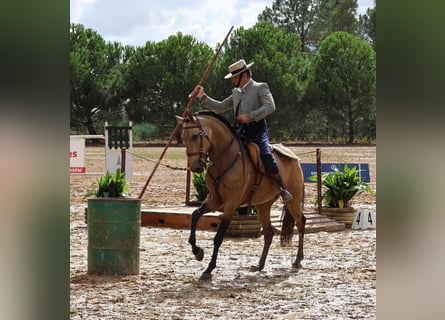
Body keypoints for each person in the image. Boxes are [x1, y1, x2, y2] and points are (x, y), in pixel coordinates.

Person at [192, 59, 293, 202]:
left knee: (265, 155)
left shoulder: (261, 87)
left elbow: (270, 106)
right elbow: (220, 107)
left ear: (244, 75)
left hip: (258, 132)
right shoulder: (235, 92)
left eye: (234, 77)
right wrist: (203, 96)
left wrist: (250, 116)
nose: (233, 80)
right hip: (240, 132)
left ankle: (282, 188)